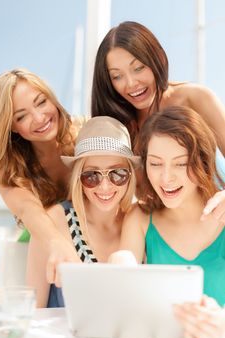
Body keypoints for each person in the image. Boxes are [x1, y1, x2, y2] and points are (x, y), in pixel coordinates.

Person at [109, 106, 225, 338]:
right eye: (155, 163)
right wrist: (119, 265)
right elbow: (125, 283)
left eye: (181, 164)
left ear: (202, 161)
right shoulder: (140, 217)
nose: (166, 178)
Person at [91, 20, 225, 222]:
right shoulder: (120, 129)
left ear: (158, 58)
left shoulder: (195, 98)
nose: (131, 83)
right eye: (117, 76)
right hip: (170, 233)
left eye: (138, 68)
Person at [27, 116, 139, 307]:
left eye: (117, 174)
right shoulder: (54, 221)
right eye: (92, 175)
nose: (104, 187)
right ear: (79, 178)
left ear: (130, 175)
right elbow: (33, 310)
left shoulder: (139, 221)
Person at [0, 68, 87, 284]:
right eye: (22, 116)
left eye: (41, 102)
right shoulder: (5, 166)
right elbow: (28, 209)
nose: (39, 118)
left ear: (52, 99)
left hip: (93, 236)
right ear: (12, 127)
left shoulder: (85, 133)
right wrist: (56, 242)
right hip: (42, 241)